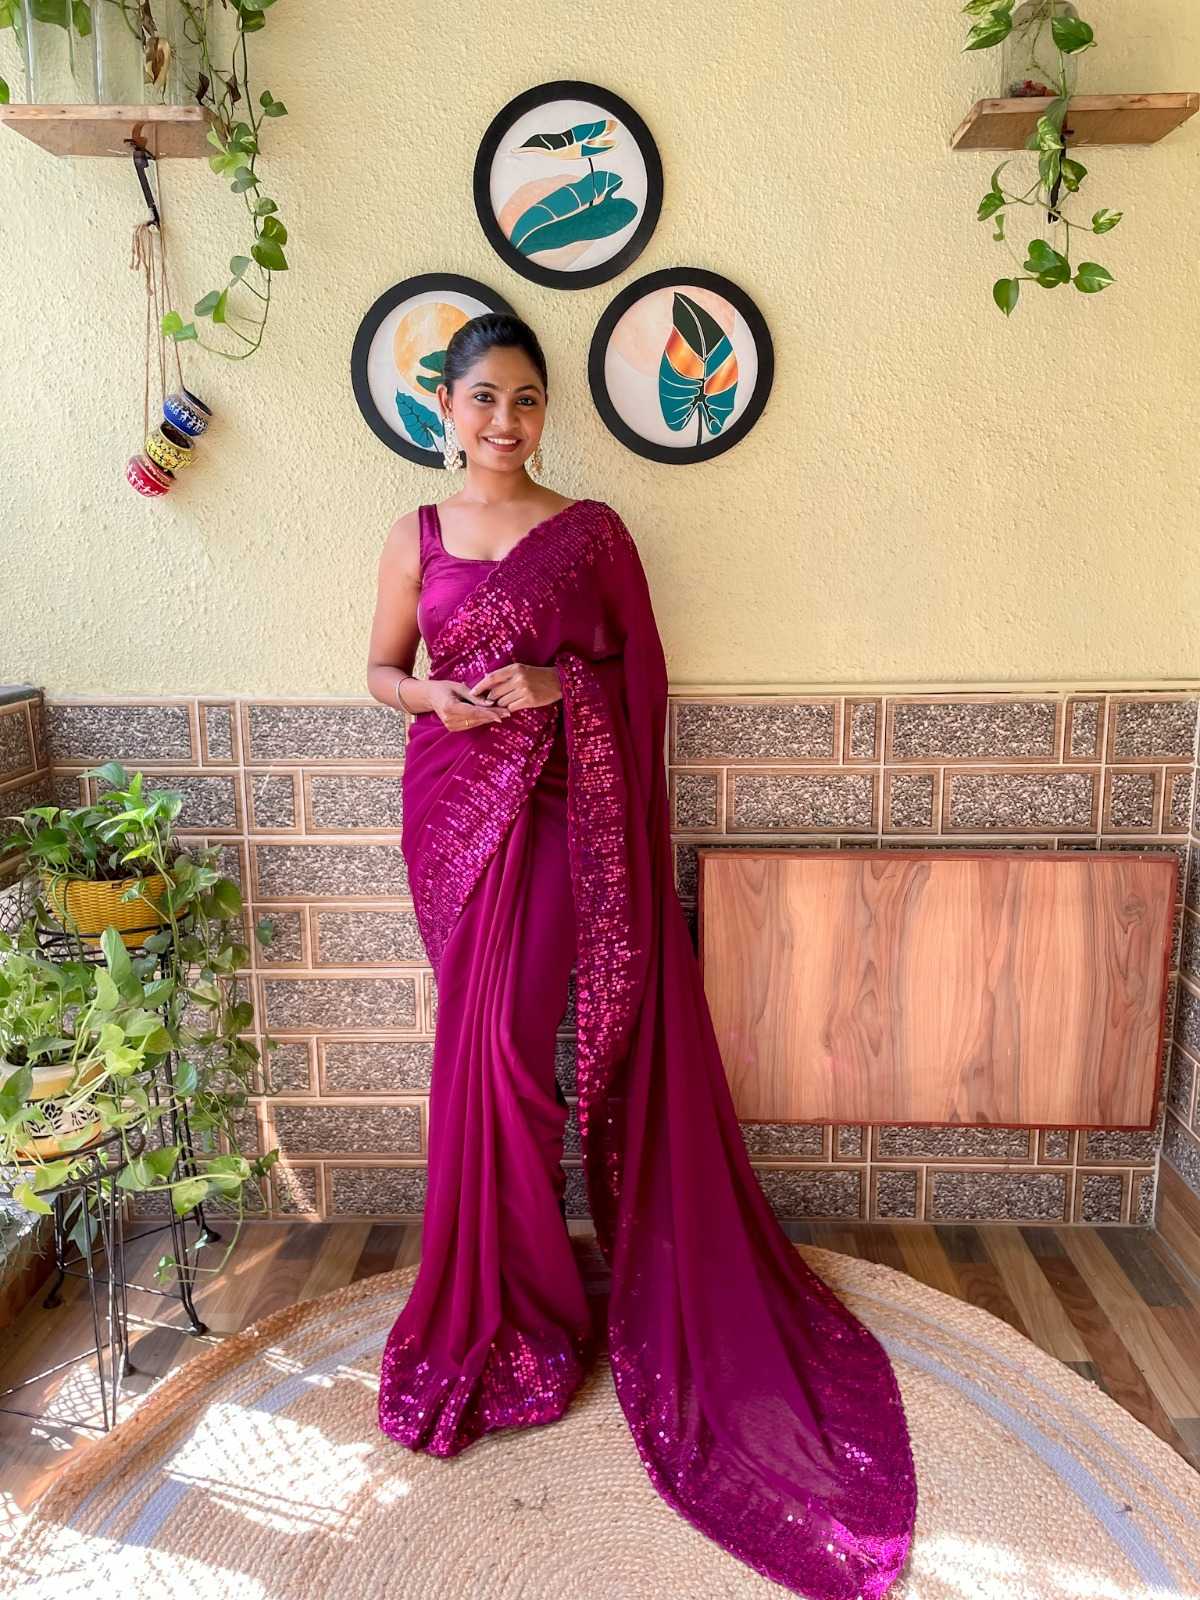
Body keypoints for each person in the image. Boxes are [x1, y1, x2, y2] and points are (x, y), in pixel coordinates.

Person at [365, 312, 917, 1599]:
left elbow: (639, 678)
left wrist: (561, 688)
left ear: (545, 412)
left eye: (527, 399)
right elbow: (382, 670)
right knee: (478, 1058)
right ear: (444, 407)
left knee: (517, 1061)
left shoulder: (594, 535)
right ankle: (498, 1307)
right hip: (451, 816)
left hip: (562, 816)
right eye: (485, 398)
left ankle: (537, 1315)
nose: (507, 421)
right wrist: (434, 696)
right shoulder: (415, 535)